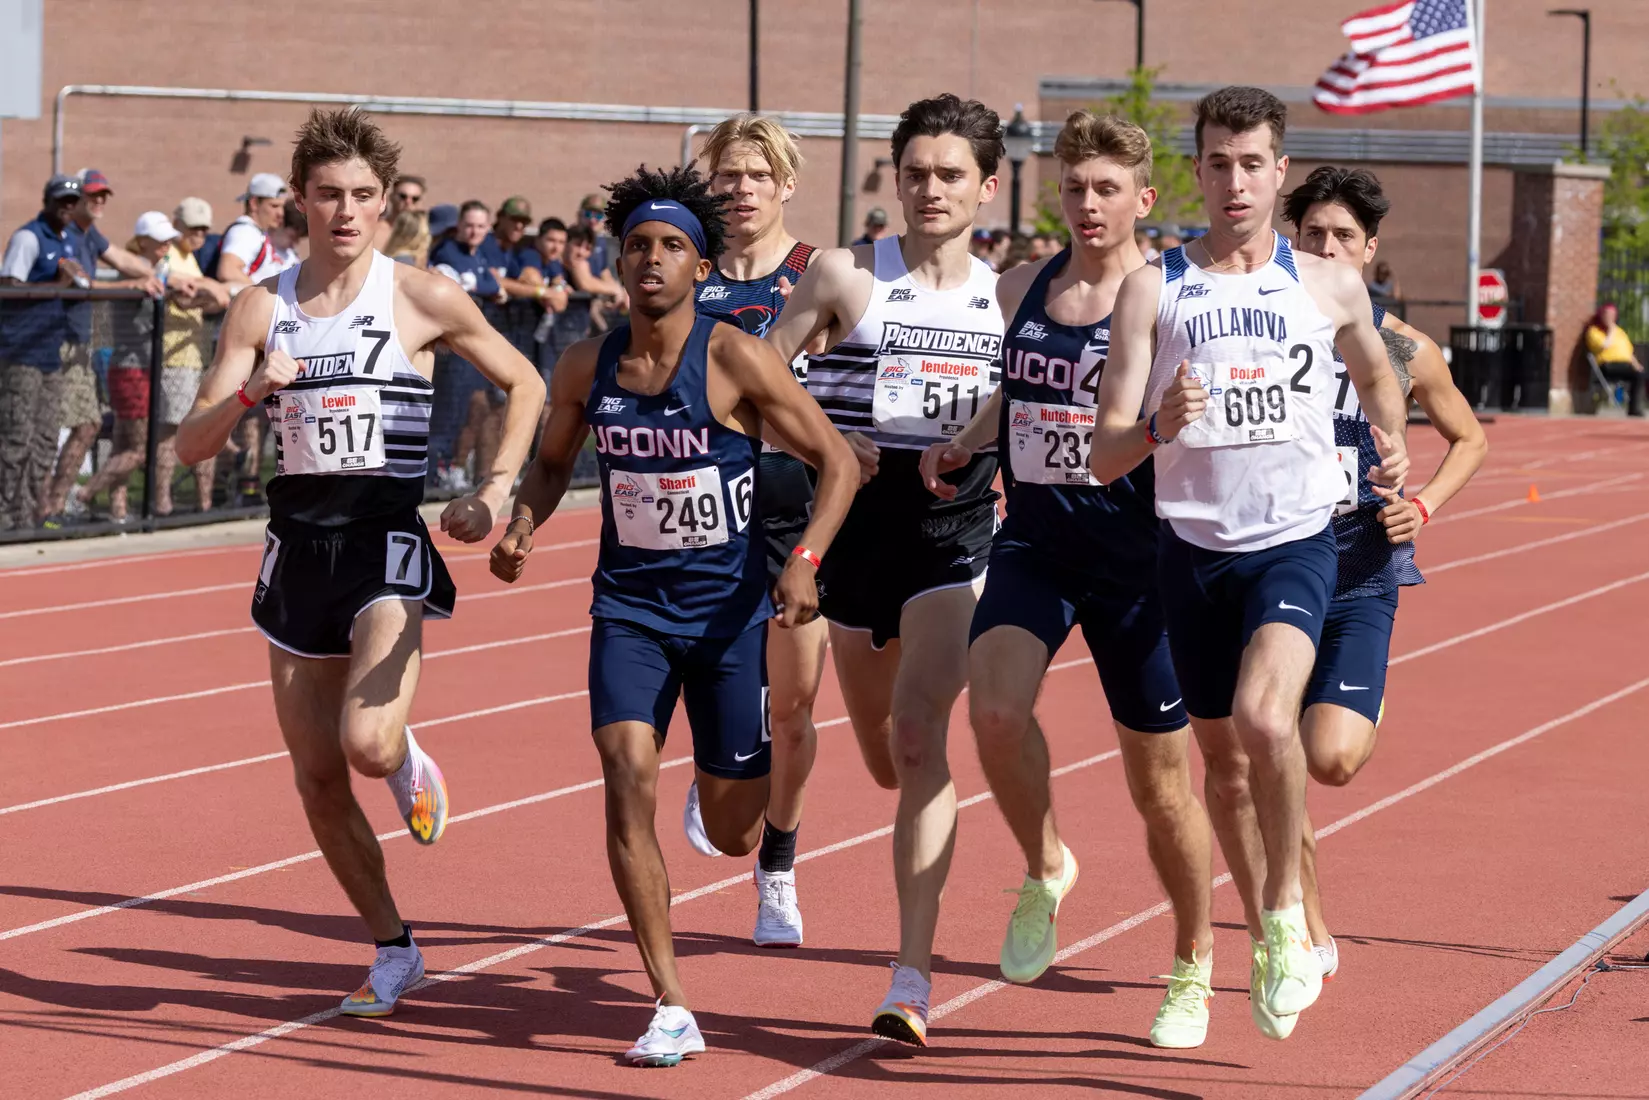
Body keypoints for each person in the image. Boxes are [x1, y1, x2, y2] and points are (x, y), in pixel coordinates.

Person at [175, 107, 543, 1018]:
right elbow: (189, 445)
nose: (346, 211)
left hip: (385, 538)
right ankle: (393, 946)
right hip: (297, 549)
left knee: (367, 744)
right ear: (298, 200)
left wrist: (495, 492)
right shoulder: (262, 306)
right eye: (329, 195)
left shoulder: (419, 296)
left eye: (363, 197)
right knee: (316, 778)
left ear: (383, 206)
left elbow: (527, 382)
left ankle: (404, 748)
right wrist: (255, 389)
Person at [487, 164, 855, 1066]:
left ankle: (736, 804)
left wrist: (804, 561)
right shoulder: (587, 362)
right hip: (630, 612)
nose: (652, 260)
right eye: (638, 246)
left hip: (728, 616)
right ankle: (671, 1002)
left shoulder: (733, 355)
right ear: (618, 260)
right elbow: (549, 462)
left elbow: (839, 462)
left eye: (673, 247)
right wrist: (523, 523)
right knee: (623, 776)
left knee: (731, 831)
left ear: (700, 266)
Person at [1088, 86, 1410, 1042]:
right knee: (1222, 770)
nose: (1234, 181)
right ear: (1198, 170)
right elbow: (1103, 452)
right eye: (1217, 162)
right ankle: (1250, 920)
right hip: (1190, 551)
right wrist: (1156, 426)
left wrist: (1390, 438)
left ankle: (1279, 923)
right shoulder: (1155, 288)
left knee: (1274, 718)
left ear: (1279, 170)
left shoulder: (1325, 282)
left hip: (1296, 541)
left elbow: (1374, 364)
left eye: (1251, 162)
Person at [917, 110, 1218, 1049]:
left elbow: (1191, 416)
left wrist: (1165, 427)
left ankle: (1192, 961)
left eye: (1105, 190)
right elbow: (1018, 385)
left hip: (1142, 565)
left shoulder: (1168, 296)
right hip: (1037, 542)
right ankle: (1046, 866)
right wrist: (969, 439)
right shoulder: (1022, 284)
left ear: (1143, 199)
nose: (1087, 206)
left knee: (1161, 788)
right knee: (993, 714)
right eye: (1073, 187)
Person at [768, 92, 1006, 1046]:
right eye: (915, 173)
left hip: (950, 537)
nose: (931, 190)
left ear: (986, 187)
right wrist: (826, 440)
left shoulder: (1009, 296)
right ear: (893, 179)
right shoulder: (844, 274)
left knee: (915, 739)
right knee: (877, 752)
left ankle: (910, 974)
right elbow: (752, 374)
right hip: (849, 533)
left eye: (951, 174)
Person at [1283, 165, 1486, 978]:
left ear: (1370, 248)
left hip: (1361, 574)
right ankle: (1302, 924)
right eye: (1312, 235)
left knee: (1328, 757)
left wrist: (1425, 506)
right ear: (1289, 240)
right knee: (1277, 753)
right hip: (1270, 566)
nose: (1326, 248)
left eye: (1342, 237)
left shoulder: (1404, 347)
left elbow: (1469, 439)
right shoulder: (1259, 327)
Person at [676, 113, 828, 949]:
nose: (740, 190)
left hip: (792, 511)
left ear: (784, 185)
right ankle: (715, 762)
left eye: (756, 176)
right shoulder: (684, 276)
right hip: (702, 513)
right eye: (727, 175)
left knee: (797, 709)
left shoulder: (816, 277)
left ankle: (778, 864)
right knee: (711, 676)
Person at [77, 211, 230, 521]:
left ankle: (118, 512)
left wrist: (183, 290)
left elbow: (200, 293)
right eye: (159, 242)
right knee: (139, 449)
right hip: (130, 368)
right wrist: (160, 285)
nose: (165, 247)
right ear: (142, 241)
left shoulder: (159, 269)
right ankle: (82, 494)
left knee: (124, 444)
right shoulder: (133, 272)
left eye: (168, 242)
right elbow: (142, 288)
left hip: (143, 367)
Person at [38, 168, 164, 524]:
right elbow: (83, 284)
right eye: (91, 195)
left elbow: (126, 261)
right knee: (59, 429)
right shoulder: (64, 235)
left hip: (78, 345)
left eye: (103, 195)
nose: (98, 201)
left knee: (87, 426)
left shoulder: (91, 236)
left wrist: (157, 278)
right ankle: (47, 507)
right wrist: (133, 286)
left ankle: (54, 506)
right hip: (54, 344)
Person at [0, 174, 84, 531]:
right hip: (21, 352)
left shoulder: (66, 240)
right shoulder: (29, 237)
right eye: (62, 201)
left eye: (72, 201)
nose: (67, 207)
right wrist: (59, 285)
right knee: (16, 437)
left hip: (51, 352)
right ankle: (5, 516)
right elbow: (9, 288)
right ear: (47, 201)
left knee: (46, 437)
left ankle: (31, 516)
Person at [150, 198, 231, 515]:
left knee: (203, 424)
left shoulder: (190, 258)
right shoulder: (169, 254)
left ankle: (204, 501)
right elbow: (180, 298)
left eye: (203, 229)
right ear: (177, 226)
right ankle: (160, 502)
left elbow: (198, 302)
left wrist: (210, 298)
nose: (198, 235)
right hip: (173, 355)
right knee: (170, 431)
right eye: (191, 228)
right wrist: (209, 288)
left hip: (194, 354)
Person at [217, 172, 291, 506]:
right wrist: (262, 301)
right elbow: (229, 270)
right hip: (240, 339)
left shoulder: (260, 236)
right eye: (274, 205)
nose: (280, 213)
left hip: (258, 341)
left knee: (254, 416)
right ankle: (234, 487)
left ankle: (245, 482)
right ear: (254, 204)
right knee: (239, 411)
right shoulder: (245, 233)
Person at [428, 200, 508, 489]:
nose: (474, 231)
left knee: (476, 410)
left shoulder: (480, 255)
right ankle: (440, 470)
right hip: (452, 350)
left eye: (480, 226)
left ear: (487, 228)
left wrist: (485, 288)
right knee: (450, 413)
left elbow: (493, 286)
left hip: (472, 349)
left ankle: (459, 467)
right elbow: (462, 288)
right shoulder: (447, 252)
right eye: (469, 225)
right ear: (459, 226)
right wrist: (485, 289)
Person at [1586, 302, 1644, 417]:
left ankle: (1635, 407)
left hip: (1624, 364)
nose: (1610, 318)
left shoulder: (1620, 332)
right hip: (1607, 365)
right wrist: (1611, 330)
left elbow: (1629, 352)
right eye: (1607, 315)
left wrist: (1637, 365)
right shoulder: (1594, 331)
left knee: (1640, 375)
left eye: (1612, 315)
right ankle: (1634, 409)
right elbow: (1605, 345)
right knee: (1637, 375)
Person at [372, 174, 425, 251]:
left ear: (421, 202)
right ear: (391, 197)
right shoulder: (375, 230)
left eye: (415, 199)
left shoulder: (425, 234)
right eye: (403, 196)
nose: (408, 202)